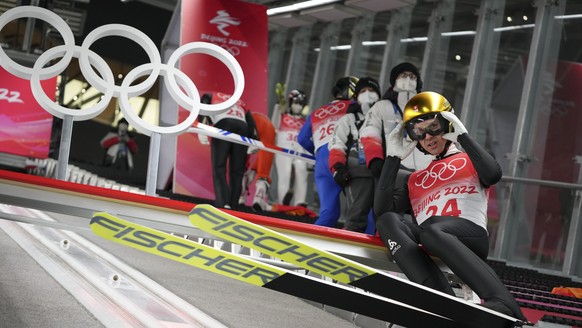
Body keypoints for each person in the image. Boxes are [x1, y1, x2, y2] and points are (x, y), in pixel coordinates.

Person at [373, 91, 527, 321]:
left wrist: (462, 136)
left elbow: (493, 174)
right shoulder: (415, 178)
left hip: (468, 236)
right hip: (431, 238)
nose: (428, 137)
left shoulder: (470, 159)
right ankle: (439, 299)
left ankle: (504, 303)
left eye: (434, 126)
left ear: (447, 124)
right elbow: (382, 211)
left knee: (433, 230)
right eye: (419, 132)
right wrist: (393, 159)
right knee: (388, 221)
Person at [298, 76, 359, 228]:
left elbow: (302, 139)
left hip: (322, 160)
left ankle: (308, 244)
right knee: (363, 210)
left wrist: (319, 153)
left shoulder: (316, 112)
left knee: (329, 213)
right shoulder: (354, 106)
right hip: (345, 157)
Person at [328, 77, 381, 234]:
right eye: (363, 91)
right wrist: (338, 167)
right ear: (356, 97)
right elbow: (337, 144)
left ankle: (386, 253)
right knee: (355, 218)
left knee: (386, 219)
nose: (368, 94)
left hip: (382, 174)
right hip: (358, 174)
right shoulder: (348, 119)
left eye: (372, 91)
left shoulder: (386, 117)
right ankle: (346, 252)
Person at [361, 62, 430, 179]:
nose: (408, 79)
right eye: (403, 76)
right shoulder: (381, 106)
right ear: (394, 80)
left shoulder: (426, 108)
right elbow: (370, 133)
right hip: (393, 172)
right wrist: (375, 159)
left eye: (412, 77)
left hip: (426, 173)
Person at [198, 91, 256, 209]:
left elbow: (203, 106)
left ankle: (222, 203)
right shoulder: (240, 102)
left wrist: (201, 127)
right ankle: (233, 206)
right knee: (237, 172)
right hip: (242, 127)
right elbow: (251, 121)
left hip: (224, 124)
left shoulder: (210, 95)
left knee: (219, 168)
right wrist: (254, 139)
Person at [272, 89, 309, 207]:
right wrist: (278, 106)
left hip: (299, 150)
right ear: (290, 102)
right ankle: (283, 201)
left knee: (302, 171)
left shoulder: (304, 121)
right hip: (284, 147)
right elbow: (273, 125)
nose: (298, 106)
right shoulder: (283, 116)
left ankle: (300, 201)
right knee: (285, 173)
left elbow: (308, 138)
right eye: (296, 103)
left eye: (301, 104)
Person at [239, 111, 277, 211]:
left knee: (241, 167)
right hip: (265, 126)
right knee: (262, 169)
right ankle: (257, 199)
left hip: (261, 128)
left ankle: (242, 196)